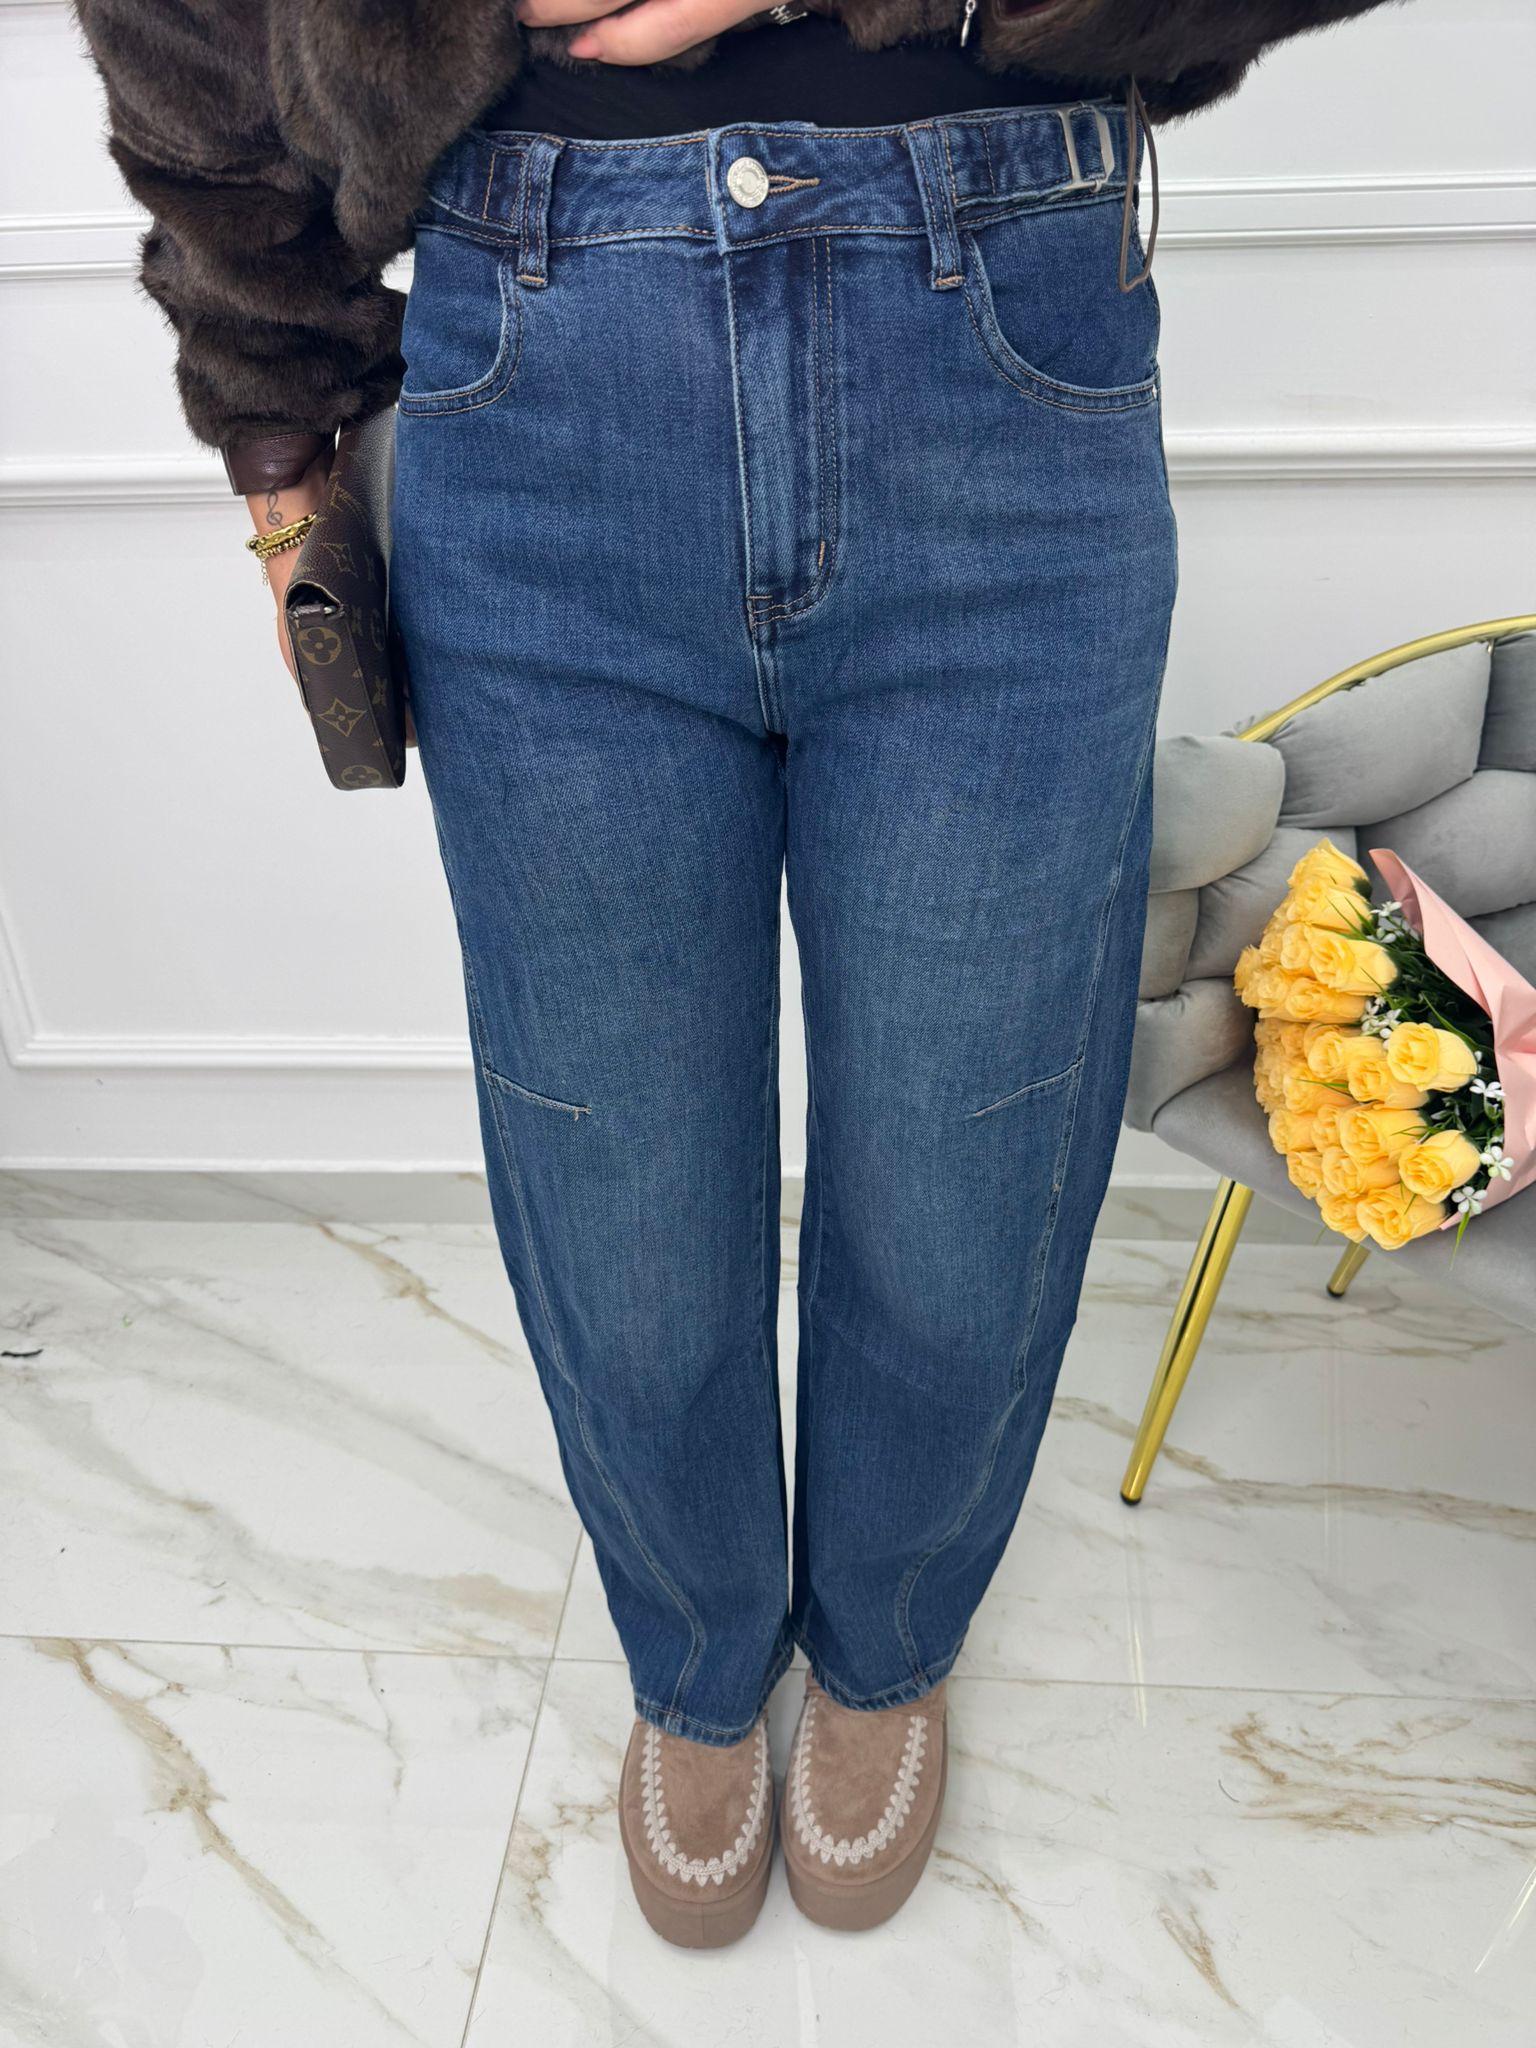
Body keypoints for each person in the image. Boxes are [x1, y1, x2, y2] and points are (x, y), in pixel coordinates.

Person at [73, 0, 1400, 1949]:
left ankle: (887, 1640)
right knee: (614, 1163)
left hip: (998, 330)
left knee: (972, 1143)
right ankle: (695, 1651)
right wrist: (276, 430)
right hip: (537, 350)